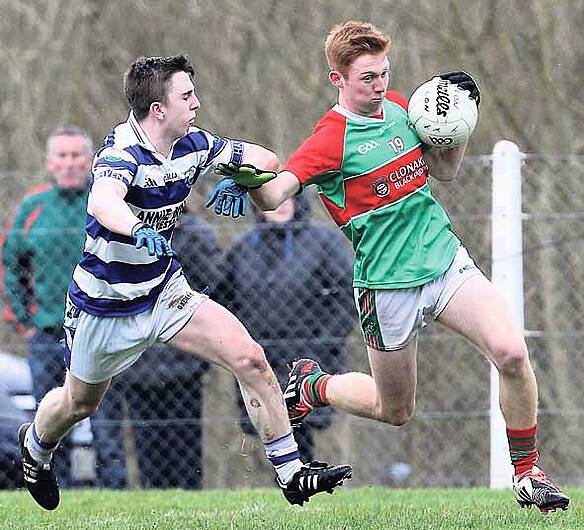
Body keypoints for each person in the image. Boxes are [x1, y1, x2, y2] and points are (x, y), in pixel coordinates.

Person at [209, 21, 569, 513]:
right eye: (367, 78)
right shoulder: (328, 141)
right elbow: (274, 194)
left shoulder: (404, 108)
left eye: (384, 73)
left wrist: (463, 117)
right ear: (337, 79)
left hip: (442, 260)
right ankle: (316, 387)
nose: (380, 86)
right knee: (394, 409)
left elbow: (445, 169)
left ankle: (528, 474)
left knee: (510, 352)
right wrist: (244, 174)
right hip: (387, 286)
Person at [16, 54, 351, 511]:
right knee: (79, 404)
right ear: (158, 109)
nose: (197, 102)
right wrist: (135, 228)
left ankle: (292, 475)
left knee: (250, 358)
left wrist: (241, 178)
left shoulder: (193, 143)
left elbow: (265, 158)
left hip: (164, 293)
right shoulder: (120, 152)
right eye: (187, 95)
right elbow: (102, 203)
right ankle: (35, 449)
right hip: (105, 306)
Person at [217, 193, 356, 462]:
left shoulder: (324, 242)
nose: (280, 207)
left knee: (304, 425)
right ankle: (290, 481)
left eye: (286, 199)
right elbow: (226, 300)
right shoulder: (243, 247)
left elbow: (345, 296)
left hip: (311, 356)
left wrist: (325, 340)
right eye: (272, 201)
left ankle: (309, 480)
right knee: (271, 427)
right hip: (259, 357)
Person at [91, 207, 218, 489]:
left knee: (185, 443)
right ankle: (154, 496)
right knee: (146, 445)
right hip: (137, 360)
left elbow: (211, 285)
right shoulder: (115, 235)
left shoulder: (194, 234)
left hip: (183, 361)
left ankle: (189, 497)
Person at [2, 126, 93, 487]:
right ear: (50, 162)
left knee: (104, 418)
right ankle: (56, 485)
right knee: (50, 415)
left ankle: (113, 487)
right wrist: (26, 321)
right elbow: (10, 265)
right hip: (47, 334)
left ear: (89, 161)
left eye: (76, 156)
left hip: (97, 330)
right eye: (62, 156)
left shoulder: (104, 201)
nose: (69, 163)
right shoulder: (33, 208)